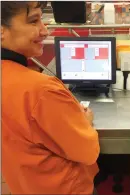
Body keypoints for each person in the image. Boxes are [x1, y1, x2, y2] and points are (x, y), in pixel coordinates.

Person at [1, 2, 100, 194]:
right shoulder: (42, 90)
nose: (44, 31)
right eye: (33, 21)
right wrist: (85, 122)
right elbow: (88, 152)